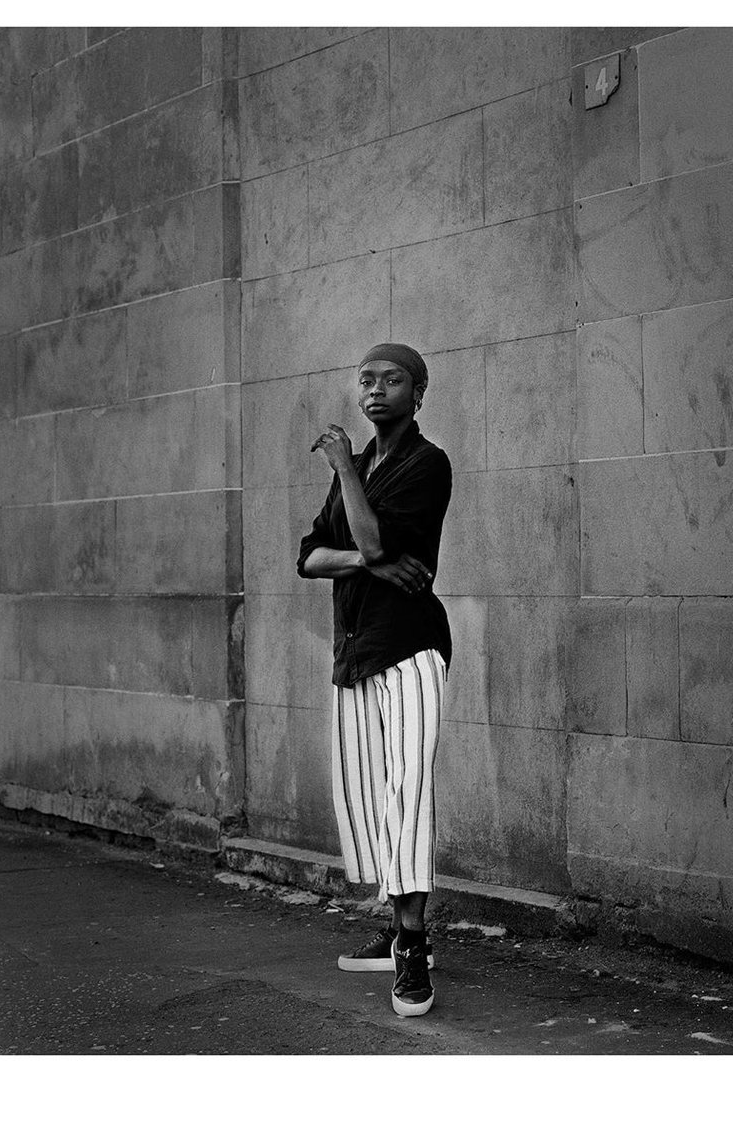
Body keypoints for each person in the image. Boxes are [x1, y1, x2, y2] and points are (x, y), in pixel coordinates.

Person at [297, 342, 452, 1017]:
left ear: (418, 393)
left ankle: (414, 947)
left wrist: (340, 468)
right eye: (366, 380)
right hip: (355, 646)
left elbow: (365, 540)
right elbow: (308, 558)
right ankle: (394, 928)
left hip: (411, 646)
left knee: (407, 792)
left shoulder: (426, 463)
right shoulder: (357, 466)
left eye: (392, 381)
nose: (376, 390)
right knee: (367, 794)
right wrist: (370, 565)